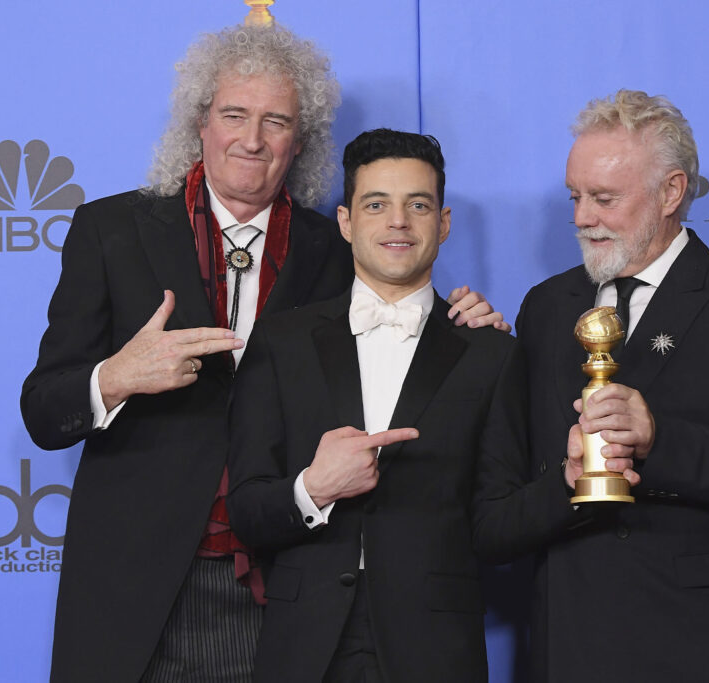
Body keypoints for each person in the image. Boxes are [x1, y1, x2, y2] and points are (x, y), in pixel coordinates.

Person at [20, 26, 505, 683]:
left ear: (299, 142)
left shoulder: (334, 248)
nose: (253, 139)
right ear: (200, 123)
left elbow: (401, 320)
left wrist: (463, 320)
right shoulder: (112, 231)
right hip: (137, 580)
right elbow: (44, 410)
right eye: (235, 115)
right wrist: (115, 377)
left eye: (275, 121)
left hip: (289, 581)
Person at [497, 90, 709, 681]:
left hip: (699, 642)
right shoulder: (546, 307)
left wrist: (658, 439)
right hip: (568, 638)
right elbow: (513, 483)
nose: (581, 217)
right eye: (575, 196)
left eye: (604, 198)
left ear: (672, 192)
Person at [226, 129, 527, 683]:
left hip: (436, 648)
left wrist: (573, 482)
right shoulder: (280, 341)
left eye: (418, 204)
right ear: (345, 222)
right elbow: (246, 509)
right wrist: (314, 488)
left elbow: (499, 523)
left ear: (444, 222)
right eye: (376, 204)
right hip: (304, 643)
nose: (398, 222)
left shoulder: (494, 355)